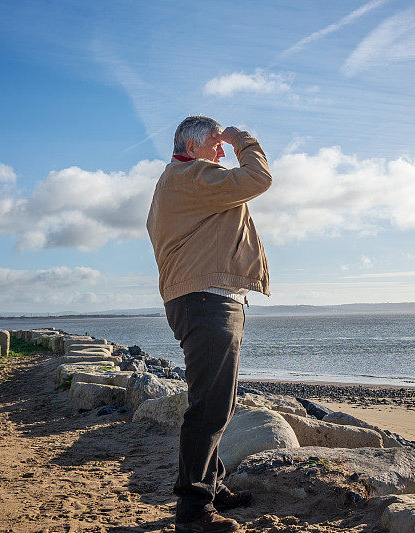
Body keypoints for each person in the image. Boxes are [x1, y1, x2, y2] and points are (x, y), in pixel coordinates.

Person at [146, 115, 272, 533]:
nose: (223, 151)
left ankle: (211, 488)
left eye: (224, 144)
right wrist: (242, 138)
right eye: (216, 143)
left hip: (203, 298)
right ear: (195, 146)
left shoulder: (181, 181)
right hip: (207, 300)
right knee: (210, 407)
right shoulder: (194, 175)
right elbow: (258, 177)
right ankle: (194, 509)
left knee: (215, 400)